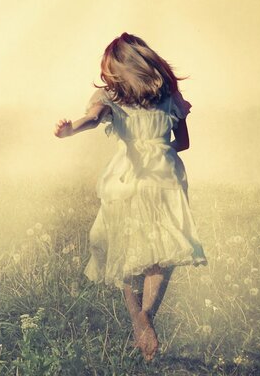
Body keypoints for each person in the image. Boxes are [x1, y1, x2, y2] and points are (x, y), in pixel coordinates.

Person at [53, 32, 208, 362]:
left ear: (116, 67)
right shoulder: (170, 96)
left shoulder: (109, 96)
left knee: (125, 248)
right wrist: (157, 140)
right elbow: (183, 144)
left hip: (125, 177)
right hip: (164, 175)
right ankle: (146, 317)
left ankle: (138, 321)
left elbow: (92, 119)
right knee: (164, 252)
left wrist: (70, 130)